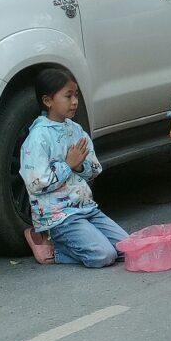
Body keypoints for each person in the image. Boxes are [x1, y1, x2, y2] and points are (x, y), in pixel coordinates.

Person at [20, 68, 128, 267]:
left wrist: (79, 167)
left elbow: (94, 169)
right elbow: (36, 183)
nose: (75, 101)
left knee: (128, 249)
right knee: (103, 256)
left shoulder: (76, 130)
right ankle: (52, 248)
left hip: (86, 208)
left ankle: (86, 241)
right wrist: (67, 165)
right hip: (59, 217)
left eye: (76, 95)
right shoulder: (38, 138)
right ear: (48, 101)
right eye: (68, 96)